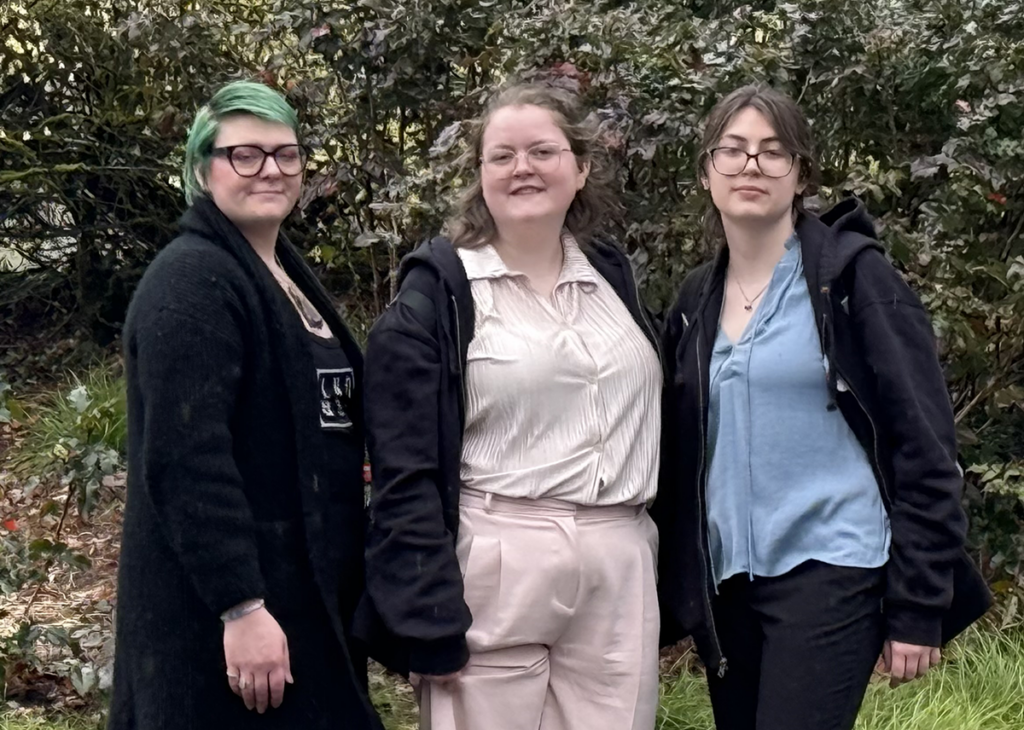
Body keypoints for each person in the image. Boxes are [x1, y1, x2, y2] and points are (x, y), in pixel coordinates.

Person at [652, 83, 991, 730]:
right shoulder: (695, 301)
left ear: (801, 174)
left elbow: (924, 442)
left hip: (834, 567)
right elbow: (679, 456)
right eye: (733, 150)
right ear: (706, 172)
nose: (751, 166)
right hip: (730, 584)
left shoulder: (853, 280)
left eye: (773, 151)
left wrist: (918, 602)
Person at [356, 83, 663, 730]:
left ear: (581, 168)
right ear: (480, 174)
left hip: (619, 559)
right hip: (497, 559)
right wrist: (424, 608)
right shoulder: (439, 295)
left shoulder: (612, 278)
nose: (523, 167)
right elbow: (404, 469)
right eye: (502, 155)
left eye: (543, 151)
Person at [108, 80, 382, 730]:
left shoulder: (278, 269)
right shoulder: (191, 284)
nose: (271, 170)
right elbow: (186, 459)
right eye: (245, 154)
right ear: (204, 168)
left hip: (305, 589)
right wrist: (241, 606)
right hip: (228, 614)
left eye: (286, 154)